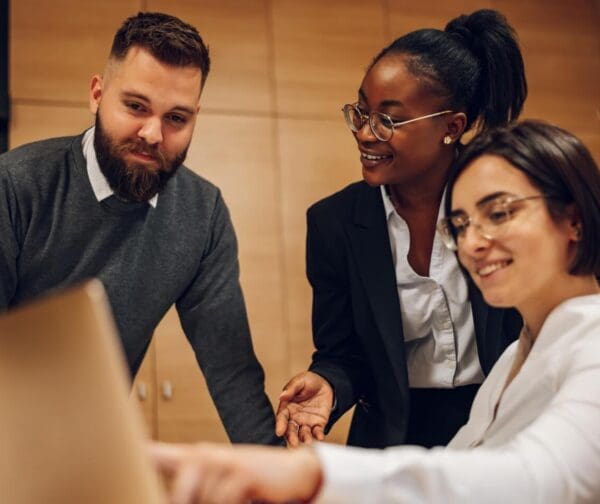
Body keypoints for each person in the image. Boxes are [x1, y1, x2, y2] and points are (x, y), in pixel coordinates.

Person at [150, 119, 600, 504]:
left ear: (574, 219)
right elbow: (462, 465)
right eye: (461, 225)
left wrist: (314, 473)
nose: (473, 243)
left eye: (499, 214)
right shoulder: (513, 360)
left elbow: (539, 478)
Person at [0, 12, 279, 445]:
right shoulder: (16, 184)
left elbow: (232, 372)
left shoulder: (202, 214)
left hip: (94, 446)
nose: (152, 133)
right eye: (136, 106)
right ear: (97, 93)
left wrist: (283, 477)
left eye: (176, 119)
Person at [276, 9, 526, 449]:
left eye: (388, 120)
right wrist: (327, 386)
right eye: (361, 111)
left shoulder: (508, 202)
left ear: (452, 127)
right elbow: (343, 353)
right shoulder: (334, 223)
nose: (364, 133)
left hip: (505, 428)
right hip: (392, 437)